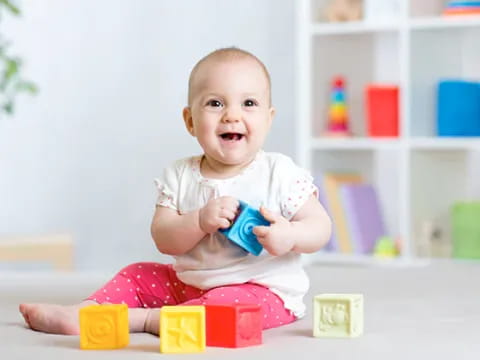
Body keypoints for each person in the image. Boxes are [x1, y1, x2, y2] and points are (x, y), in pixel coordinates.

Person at [19, 47, 332, 336]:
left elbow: (320, 227)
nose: (232, 115)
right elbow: (164, 238)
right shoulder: (179, 175)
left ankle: (143, 320)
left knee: (229, 306)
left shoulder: (280, 172)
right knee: (137, 274)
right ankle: (86, 312)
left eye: (249, 103)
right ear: (190, 120)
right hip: (188, 285)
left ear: (268, 118)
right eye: (215, 103)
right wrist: (197, 221)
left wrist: (290, 235)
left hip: (261, 291)